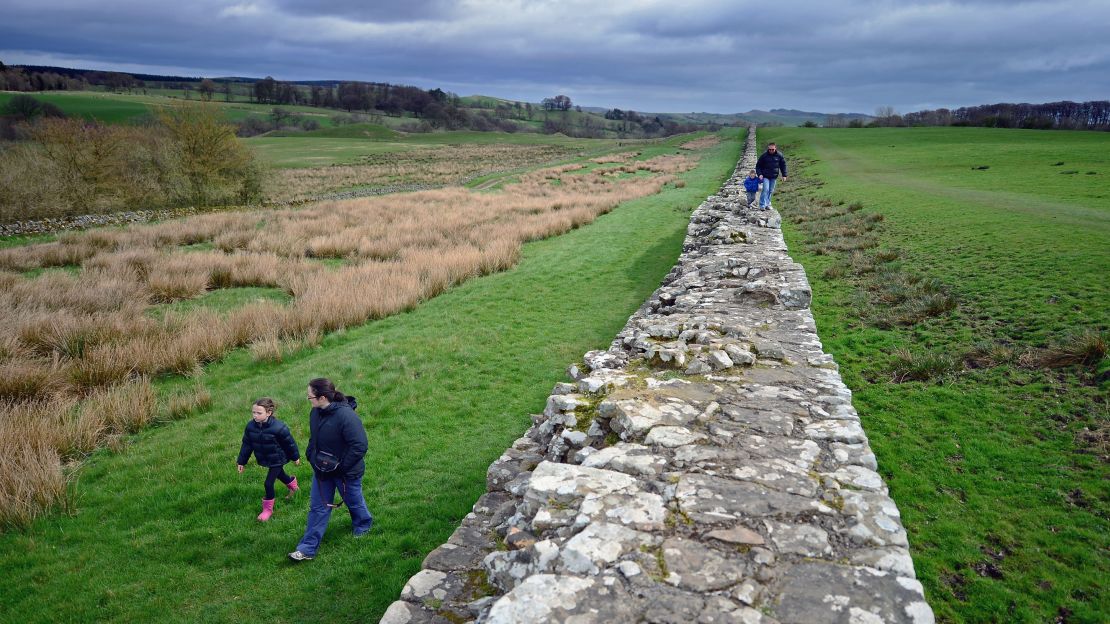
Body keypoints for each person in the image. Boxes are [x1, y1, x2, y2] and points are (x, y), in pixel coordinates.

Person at [288, 378, 372, 561]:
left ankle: (363, 524)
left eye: (310, 396)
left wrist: (341, 467)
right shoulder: (315, 413)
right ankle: (307, 549)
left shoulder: (346, 416)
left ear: (323, 397)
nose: (308, 400)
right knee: (318, 508)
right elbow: (315, 439)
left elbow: (359, 446)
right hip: (322, 470)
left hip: (346, 472)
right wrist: (311, 455)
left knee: (353, 501)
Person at [237, 398, 301, 522]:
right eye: (253, 412)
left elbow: (290, 443)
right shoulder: (250, 427)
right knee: (281, 474)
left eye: (259, 413)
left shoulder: (279, 427)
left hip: (278, 458)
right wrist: (241, 461)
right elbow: (247, 444)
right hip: (265, 458)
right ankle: (294, 487)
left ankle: (267, 510)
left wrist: (295, 457)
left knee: (268, 483)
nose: (255, 415)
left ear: (269, 413)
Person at [756, 142, 788, 210]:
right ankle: (762, 205)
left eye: (772, 149)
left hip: (774, 176)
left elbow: (783, 165)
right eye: (770, 149)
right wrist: (760, 174)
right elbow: (758, 166)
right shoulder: (764, 156)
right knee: (765, 189)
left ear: (775, 148)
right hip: (765, 176)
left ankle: (767, 204)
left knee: (771, 190)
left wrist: (784, 175)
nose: (771, 151)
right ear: (768, 148)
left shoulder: (779, 155)